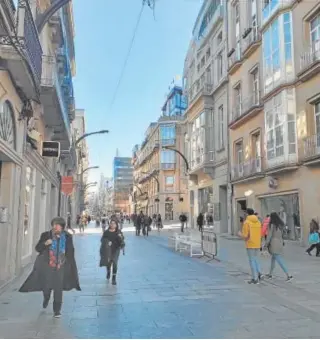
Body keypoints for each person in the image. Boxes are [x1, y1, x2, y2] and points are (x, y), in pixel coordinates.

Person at [19, 217, 80, 318]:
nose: (55, 227)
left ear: (62, 226)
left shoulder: (67, 236)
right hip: (47, 265)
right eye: (54, 224)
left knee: (58, 287)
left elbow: (70, 251)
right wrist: (45, 243)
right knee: (46, 286)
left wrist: (70, 264)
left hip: (61, 265)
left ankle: (57, 310)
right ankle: (46, 297)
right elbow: (38, 248)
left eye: (57, 225)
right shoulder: (46, 235)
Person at [265, 212, 293, 281]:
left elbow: (269, 235)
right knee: (273, 259)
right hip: (280, 242)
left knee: (278, 259)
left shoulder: (272, 225)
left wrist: (266, 244)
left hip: (274, 242)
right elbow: (284, 234)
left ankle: (288, 274)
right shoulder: (281, 225)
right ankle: (270, 274)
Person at [238, 208, 263, 284]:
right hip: (257, 243)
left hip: (250, 244)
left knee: (251, 260)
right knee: (256, 259)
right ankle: (259, 273)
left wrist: (239, 234)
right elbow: (260, 233)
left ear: (247, 214)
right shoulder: (258, 222)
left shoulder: (247, 222)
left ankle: (255, 278)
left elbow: (245, 235)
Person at [100, 220, 125, 285]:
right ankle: (108, 271)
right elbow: (102, 240)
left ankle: (114, 278)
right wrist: (107, 242)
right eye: (111, 223)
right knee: (108, 263)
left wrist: (121, 240)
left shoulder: (119, 232)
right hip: (108, 250)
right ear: (109, 224)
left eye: (114, 224)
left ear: (116, 225)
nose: (112, 225)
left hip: (116, 250)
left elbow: (122, 239)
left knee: (115, 263)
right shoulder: (106, 232)